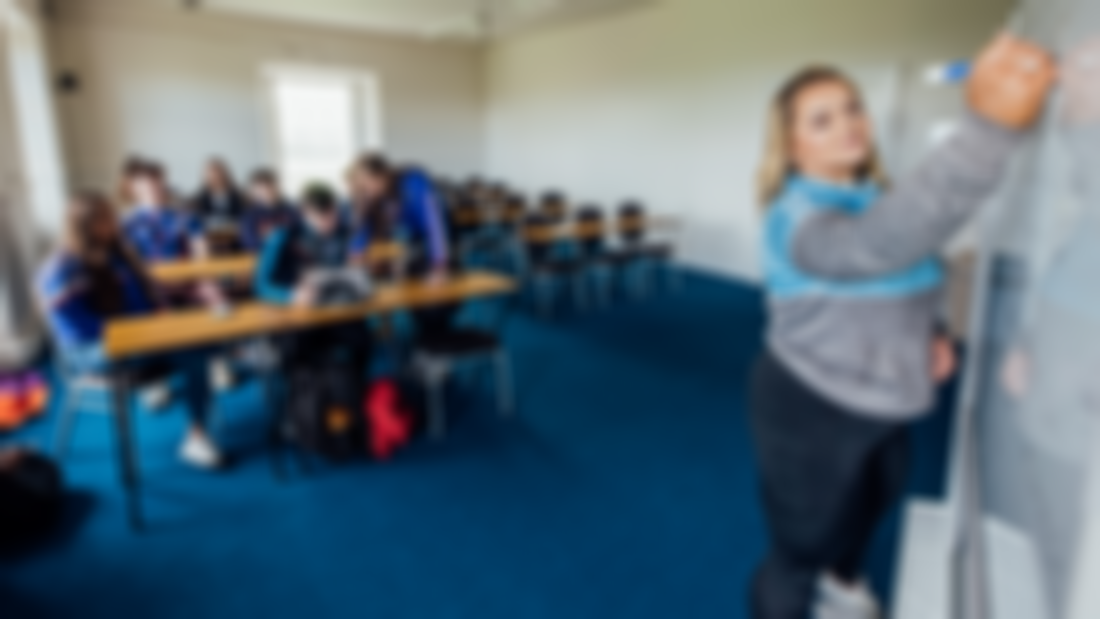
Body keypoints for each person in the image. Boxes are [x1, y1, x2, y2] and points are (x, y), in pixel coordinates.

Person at [748, 34, 1056, 619]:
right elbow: (878, 247)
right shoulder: (796, 217)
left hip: (884, 399)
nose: (848, 125)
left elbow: (913, 270)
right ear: (790, 145)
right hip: (812, 404)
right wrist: (986, 131)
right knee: (800, 547)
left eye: (853, 107)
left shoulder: (874, 195)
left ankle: (843, 582)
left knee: (874, 502)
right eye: (822, 120)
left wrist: (934, 331)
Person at [37, 191, 225, 469]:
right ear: (82, 225)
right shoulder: (61, 268)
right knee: (190, 347)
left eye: (112, 218)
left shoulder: (120, 254)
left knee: (199, 349)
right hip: (90, 350)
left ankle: (196, 436)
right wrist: (144, 332)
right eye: (104, 220)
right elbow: (77, 328)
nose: (114, 225)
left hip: (138, 337)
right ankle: (176, 403)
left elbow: (151, 294)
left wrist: (180, 303)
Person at [255, 184, 373, 368]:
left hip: (332, 308)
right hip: (296, 315)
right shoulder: (283, 237)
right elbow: (261, 286)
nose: (332, 222)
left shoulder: (341, 233)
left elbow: (346, 269)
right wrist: (291, 296)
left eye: (335, 214)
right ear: (306, 214)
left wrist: (359, 268)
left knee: (362, 338)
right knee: (299, 352)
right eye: (324, 217)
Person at [241, 168, 298, 253]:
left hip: (290, 257)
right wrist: (271, 240)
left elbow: (299, 238)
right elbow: (250, 243)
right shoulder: (250, 215)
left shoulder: (290, 210)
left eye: (270, 186)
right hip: (264, 256)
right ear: (254, 192)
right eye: (261, 188)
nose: (267, 191)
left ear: (277, 187)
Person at [191, 158, 247, 241]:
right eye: (211, 174)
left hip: (236, 239)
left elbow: (243, 217)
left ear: (225, 174)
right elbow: (198, 220)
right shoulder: (199, 198)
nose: (215, 177)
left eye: (218, 173)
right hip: (210, 239)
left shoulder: (238, 196)